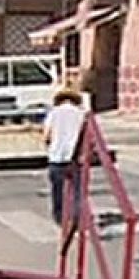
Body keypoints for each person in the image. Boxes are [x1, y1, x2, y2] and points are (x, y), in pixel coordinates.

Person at [43, 89, 87, 226]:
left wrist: (50, 145)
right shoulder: (81, 115)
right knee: (77, 191)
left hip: (56, 158)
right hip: (75, 158)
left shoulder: (53, 113)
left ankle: (59, 217)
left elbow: (47, 136)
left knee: (57, 190)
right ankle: (77, 218)